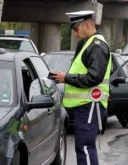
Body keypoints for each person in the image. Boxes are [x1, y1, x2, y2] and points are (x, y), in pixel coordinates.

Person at [51, 10, 112, 165]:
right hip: (84, 106)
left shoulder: (96, 46)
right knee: (83, 147)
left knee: (85, 147)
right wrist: (64, 77)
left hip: (90, 104)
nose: (75, 34)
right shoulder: (88, 44)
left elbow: (94, 77)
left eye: (76, 30)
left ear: (87, 25)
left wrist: (67, 78)